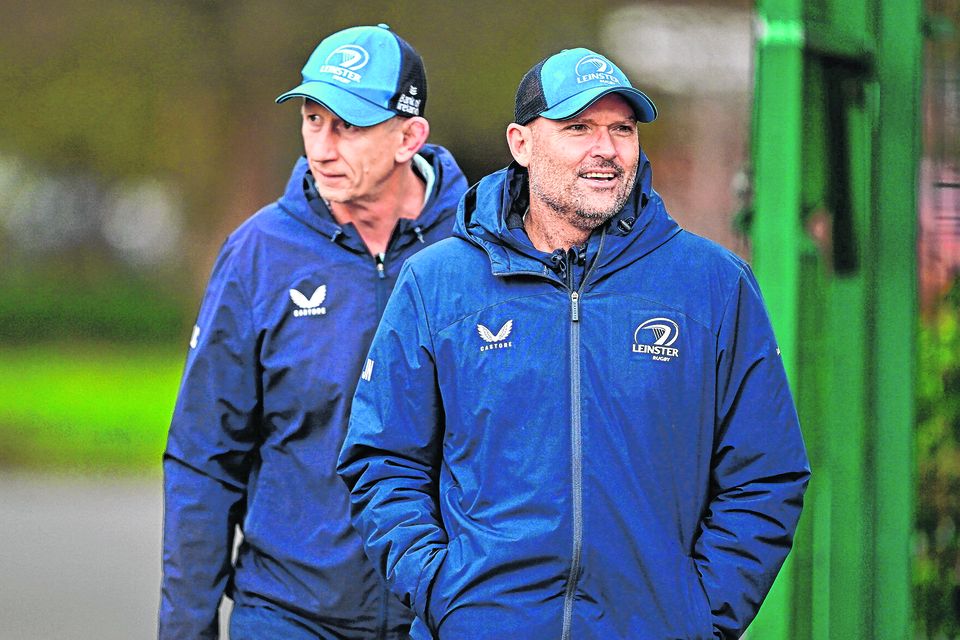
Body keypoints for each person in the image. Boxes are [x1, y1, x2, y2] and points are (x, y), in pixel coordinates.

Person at [338, 47, 810, 640]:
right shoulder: (438, 285)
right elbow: (384, 460)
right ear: (521, 144)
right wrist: (444, 592)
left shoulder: (712, 286)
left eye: (621, 129)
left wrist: (701, 616)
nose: (606, 149)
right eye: (578, 128)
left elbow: (765, 475)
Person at [159, 24, 467, 639]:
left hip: (441, 614)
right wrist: (186, 629)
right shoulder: (257, 254)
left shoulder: (476, 246)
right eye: (311, 119)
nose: (322, 148)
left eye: (348, 126)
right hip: (288, 613)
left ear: (410, 136)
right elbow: (203, 457)